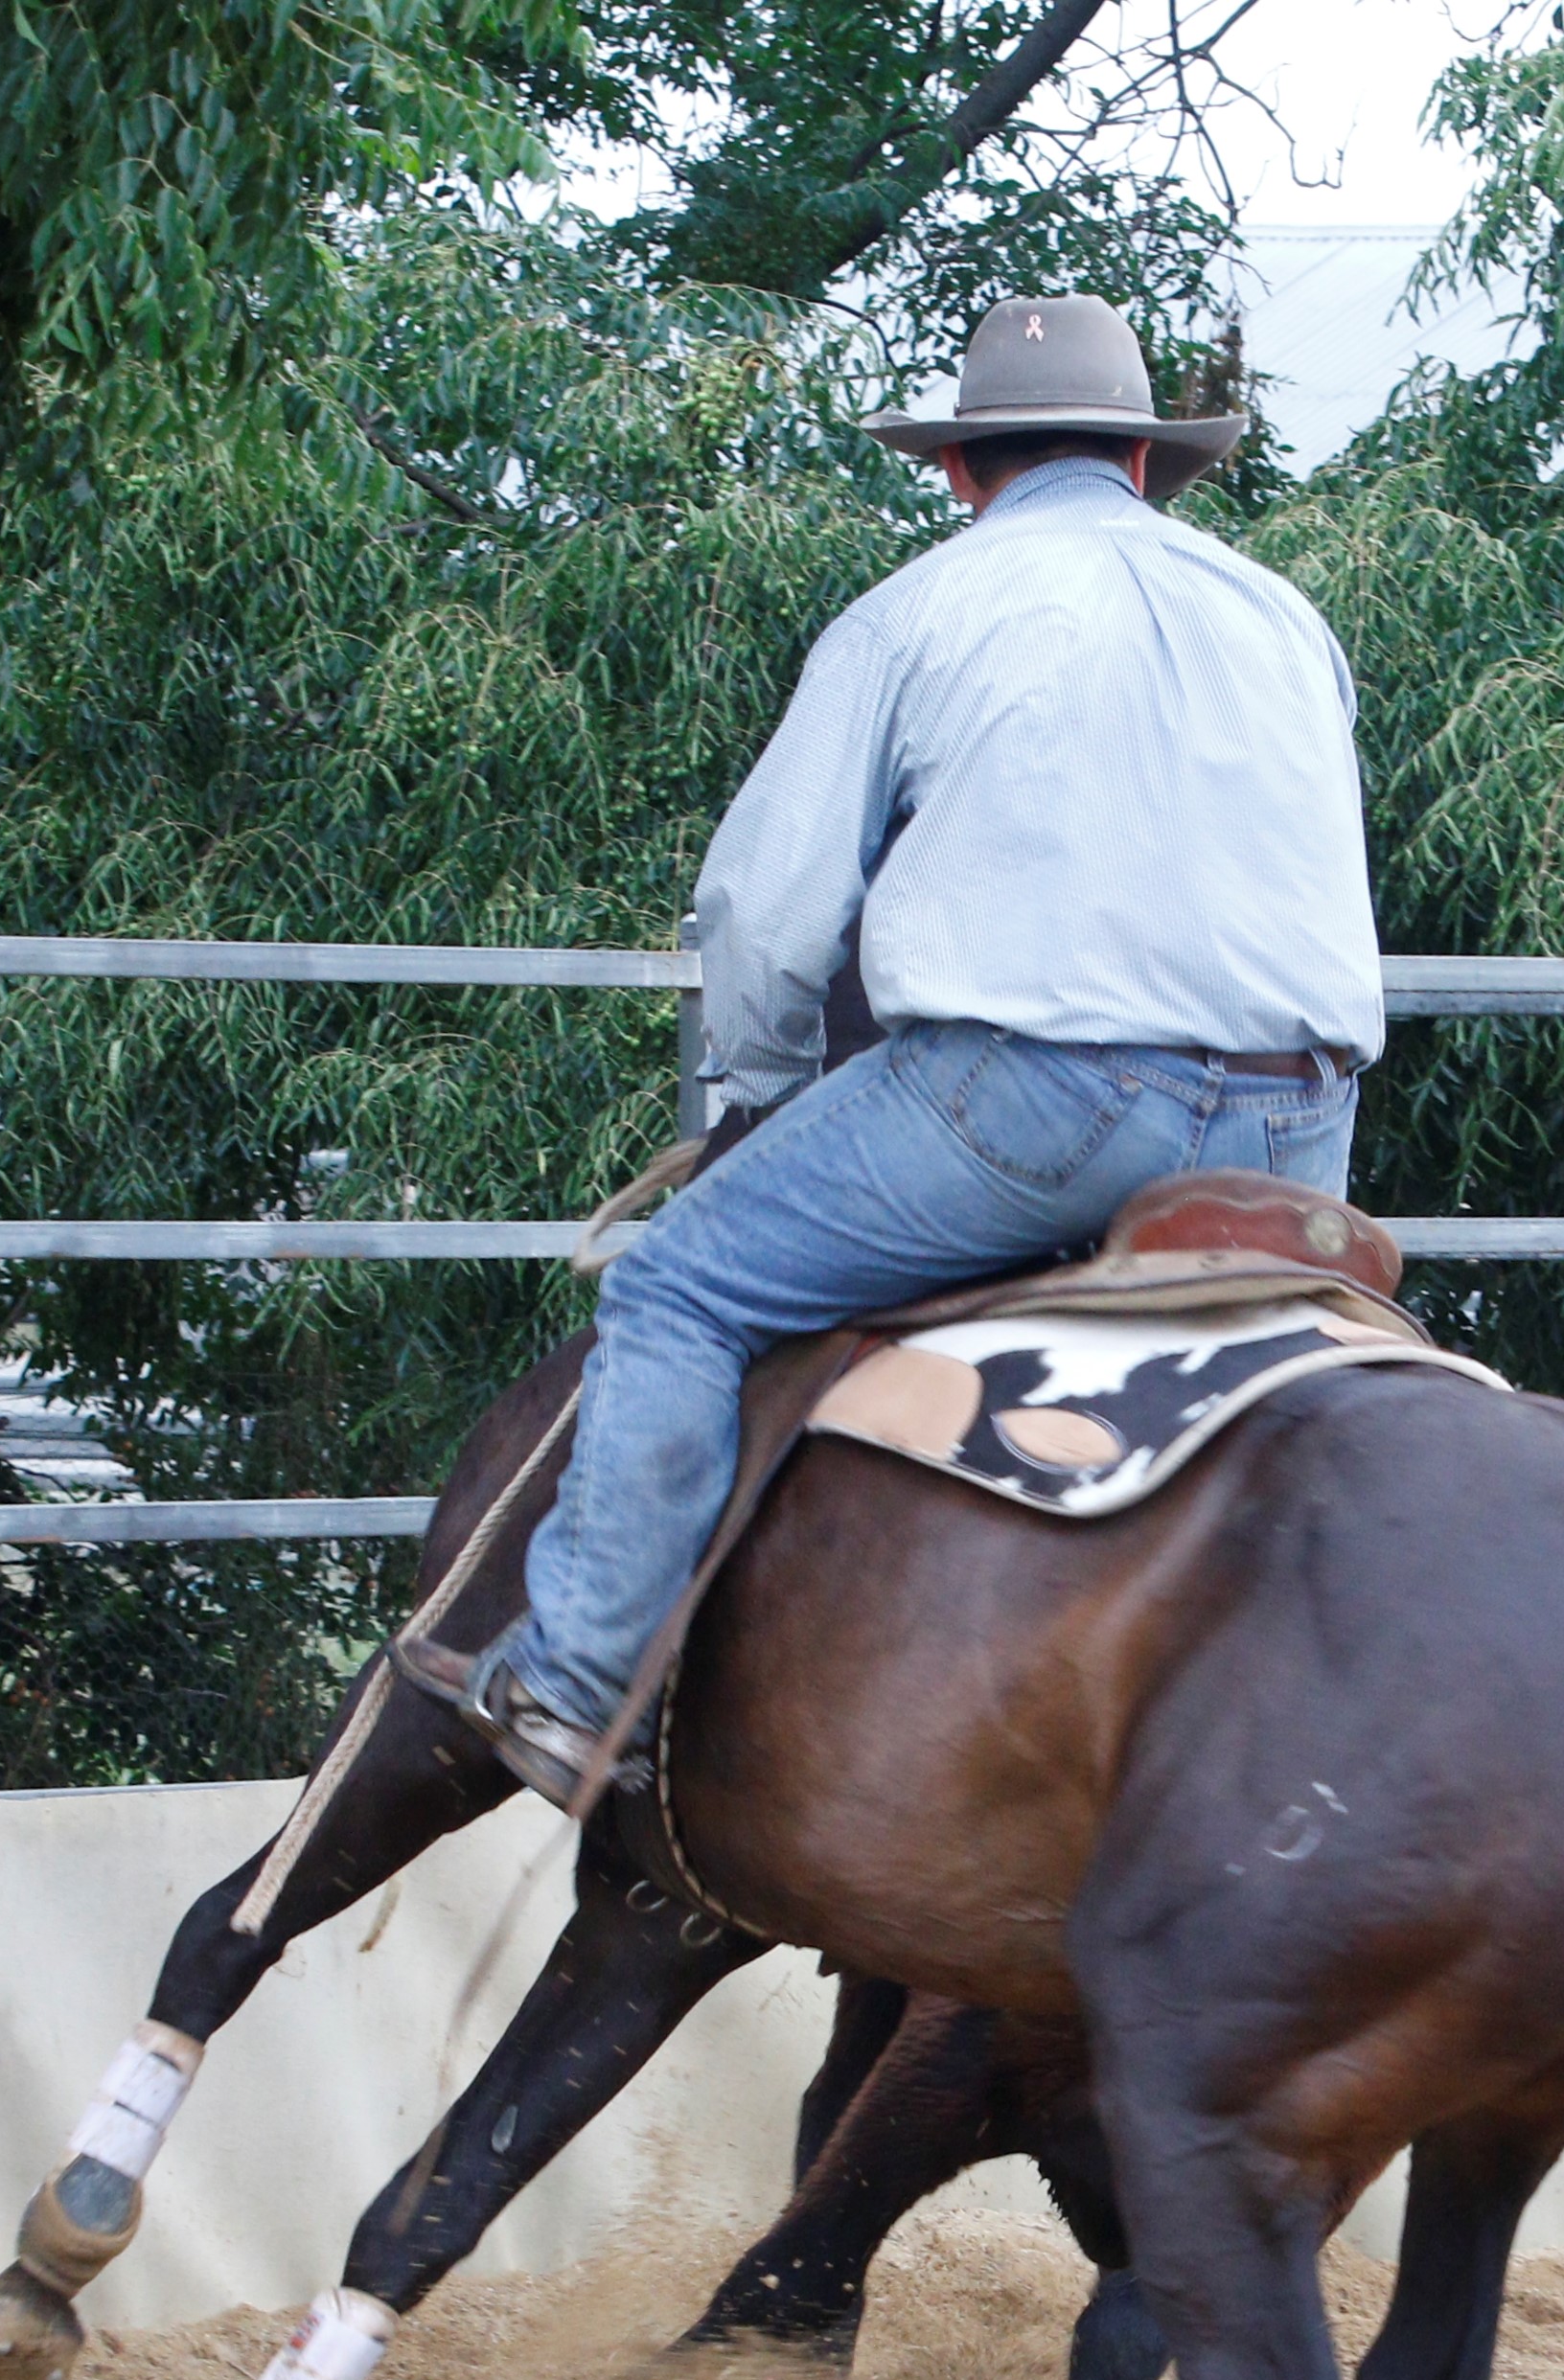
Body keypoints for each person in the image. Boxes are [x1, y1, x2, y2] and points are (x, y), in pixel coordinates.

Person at [398, 292, 1385, 1803]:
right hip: (1296, 1133)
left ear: (956, 469)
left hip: (1036, 1107)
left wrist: (757, 1096)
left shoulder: (919, 610)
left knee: (677, 1286)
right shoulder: (1281, 617)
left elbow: (769, 909)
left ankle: (579, 1682)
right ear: (1142, 458)